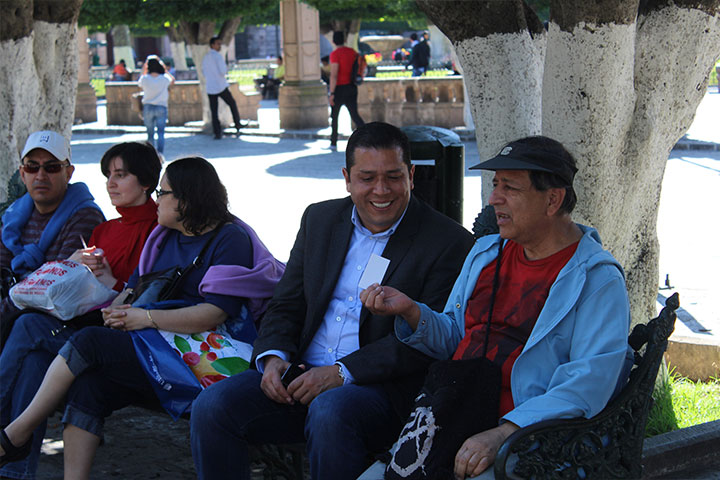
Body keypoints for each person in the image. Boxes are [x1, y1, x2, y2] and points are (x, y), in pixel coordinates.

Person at [189, 122, 475, 480]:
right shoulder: (320, 219)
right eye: (367, 178)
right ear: (347, 178)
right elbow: (287, 302)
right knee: (213, 405)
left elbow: (423, 342)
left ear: (411, 176)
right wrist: (273, 357)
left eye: (393, 177)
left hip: (379, 389)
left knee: (330, 410)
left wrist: (342, 373)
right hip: (301, 374)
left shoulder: (448, 241)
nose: (381, 190)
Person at [358, 136, 634, 479]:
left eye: (510, 188)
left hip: (534, 440)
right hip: (453, 414)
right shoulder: (487, 252)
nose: (494, 199)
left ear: (553, 200)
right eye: (495, 184)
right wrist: (412, 312)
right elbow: (456, 338)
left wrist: (505, 432)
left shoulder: (596, 278)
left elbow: (588, 382)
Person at [0, 157, 284, 478]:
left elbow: (215, 313)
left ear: (186, 198)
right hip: (154, 347)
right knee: (88, 384)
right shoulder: (162, 237)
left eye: (163, 193)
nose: (156, 200)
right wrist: (118, 309)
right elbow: (132, 292)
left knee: (89, 342)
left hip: (199, 358)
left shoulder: (229, 238)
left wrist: (145, 318)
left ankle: (15, 435)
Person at [0, 141, 161, 480]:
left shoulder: (156, 231)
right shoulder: (104, 229)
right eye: (108, 176)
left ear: (146, 182)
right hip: (80, 326)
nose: (111, 184)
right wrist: (74, 268)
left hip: (116, 338)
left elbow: (146, 297)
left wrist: (111, 283)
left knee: (28, 326)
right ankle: (16, 472)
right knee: (34, 360)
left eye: (121, 175)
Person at [1, 131, 105, 346]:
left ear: (68, 173)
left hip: (56, 326)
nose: (40, 176)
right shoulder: (13, 217)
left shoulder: (84, 216)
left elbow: (54, 289)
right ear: (22, 174)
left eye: (51, 167)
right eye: (32, 167)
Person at [328, 31, 365, 151]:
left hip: (339, 88)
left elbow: (334, 75)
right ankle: (368, 137)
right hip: (352, 86)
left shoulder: (335, 54)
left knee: (335, 116)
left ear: (333, 41)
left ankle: (333, 143)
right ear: (344, 40)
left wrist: (331, 93)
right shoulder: (352, 52)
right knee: (355, 115)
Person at [202, 36, 243, 140]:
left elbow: (204, 72)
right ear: (212, 45)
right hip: (220, 86)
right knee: (232, 104)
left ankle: (217, 133)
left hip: (210, 87)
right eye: (218, 44)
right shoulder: (218, 56)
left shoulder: (206, 57)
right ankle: (237, 125)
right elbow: (223, 71)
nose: (219, 46)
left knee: (214, 111)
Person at [138, 56, 175, 154]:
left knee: (150, 134)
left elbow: (139, 83)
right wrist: (165, 69)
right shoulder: (164, 78)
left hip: (148, 107)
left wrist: (144, 69)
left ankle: (151, 154)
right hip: (161, 106)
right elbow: (173, 80)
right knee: (161, 133)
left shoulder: (145, 78)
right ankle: (160, 154)